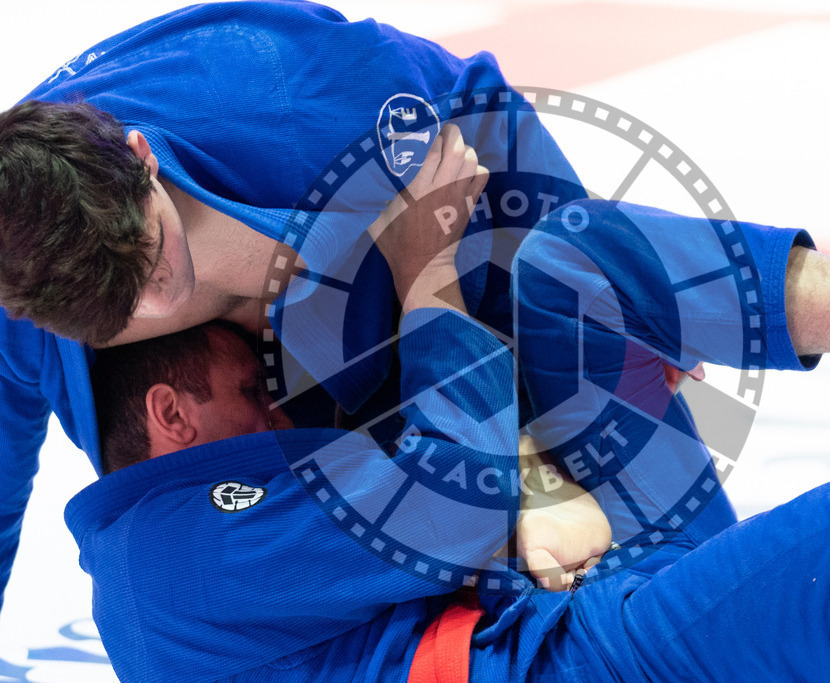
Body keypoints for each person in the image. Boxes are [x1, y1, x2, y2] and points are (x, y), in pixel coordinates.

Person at [74, 99, 830, 681]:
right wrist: (424, 271)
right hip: (570, 659)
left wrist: (542, 466)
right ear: (169, 415)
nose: (282, 413)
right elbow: (450, 497)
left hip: (582, 606)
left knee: (573, 262)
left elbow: (445, 498)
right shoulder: (169, 562)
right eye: (251, 391)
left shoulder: (175, 526)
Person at [0, 0, 586, 612]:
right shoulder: (18, 309)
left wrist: (598, 323)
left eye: (150, 259)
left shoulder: (284, 90)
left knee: (605, 494)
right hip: (271, 422)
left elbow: (479, 102)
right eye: (120, 313)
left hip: (420, 290)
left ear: (143, 157)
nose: (156, 301)